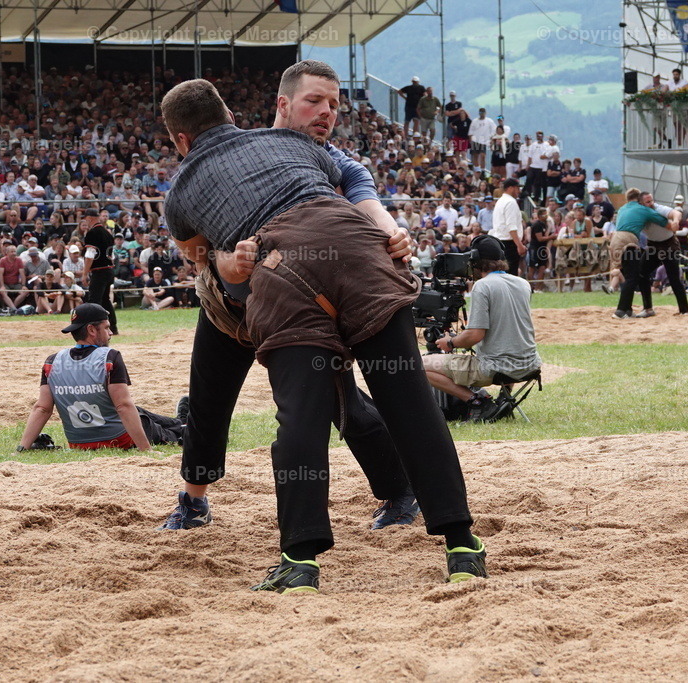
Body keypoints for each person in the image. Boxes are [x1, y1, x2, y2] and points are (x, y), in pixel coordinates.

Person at [163, 77, 485, 592]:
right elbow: (352, 194)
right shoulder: (296, 146)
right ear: (230, 114)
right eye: (319, 101)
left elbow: (203, 260)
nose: (326, 112)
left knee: (301, 418)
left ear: (180, 140)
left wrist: (232, 256)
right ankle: (462, 544)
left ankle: (300, 559)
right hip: (361, 255)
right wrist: (389, 233)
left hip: (282, 275)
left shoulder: (181, 190)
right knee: (410, 404)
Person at [167, 61, 420, 542]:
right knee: (208, 399)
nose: (325, 113)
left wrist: (392, 234)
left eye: (334, 105)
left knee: (340, 402)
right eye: (314, 102)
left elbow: (367, 201)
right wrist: (230, 265)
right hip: (231, 307)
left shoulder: (339, 161)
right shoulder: (240, 154)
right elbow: (202, 258)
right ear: (281, 105)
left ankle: (399, 491)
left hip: (298, 306)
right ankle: (193, 499)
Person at [17, 303, 183, 451]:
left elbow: (42, 408)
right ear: (91, 330)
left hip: (78, 443)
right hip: (120, 439)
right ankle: (184, 425)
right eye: (106, 328)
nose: (110, 333)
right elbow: (123, 406)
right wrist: (146, 450)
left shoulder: (52, 362)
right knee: (149, 422)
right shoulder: (110, 357)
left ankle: (180, 420)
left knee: (138, 411)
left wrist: (22, 448)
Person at [423, 235, 541, 421]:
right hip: (529, 364)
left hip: (497, 368)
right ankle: (504, 398)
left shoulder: (483, 286)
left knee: (420, 366)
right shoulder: (523, 284)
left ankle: (477, 402)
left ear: (476, 261)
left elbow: (475, 335)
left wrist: (450, 342)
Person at [611, 188, 669, 319]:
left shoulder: (622, 209)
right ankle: (620, 311)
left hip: (614, 240)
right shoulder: (641, 208)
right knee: (633, 277)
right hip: (628, 241)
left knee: (628, 275)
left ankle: (628, 309)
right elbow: (662, 221)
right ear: (639, 199)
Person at [81, 210, 118, 334]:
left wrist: (85, 273)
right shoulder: (108, 233)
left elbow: (90, 255)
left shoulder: (92, 233)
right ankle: (113, 327)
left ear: (90, 218)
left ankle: (95, 329)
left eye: (86, 219)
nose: (85, 222)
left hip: (99, 271)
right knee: (105, 300)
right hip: (108, 270)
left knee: (94, 301)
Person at [489, 178, 526, 276]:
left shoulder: (500, 201)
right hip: (509, 243)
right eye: (517, 188)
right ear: (510, 188)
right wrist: (519, 245)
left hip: (499, 242)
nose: (519, 191)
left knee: (502, 273)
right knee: (510, 274)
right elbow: (511, 227)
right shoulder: (511, 202)